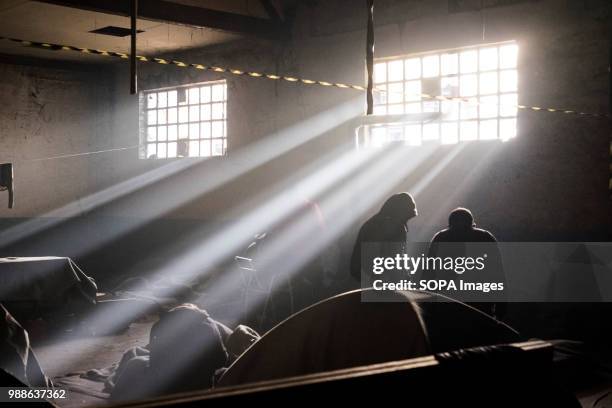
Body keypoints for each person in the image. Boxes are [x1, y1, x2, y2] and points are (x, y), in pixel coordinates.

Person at [427, 207, 505, 319]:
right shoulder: (485, 238)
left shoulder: (440, 238)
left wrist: (427, 303)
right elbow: (497, 274)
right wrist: (501, 308)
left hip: (446, 303)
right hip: (480, 303)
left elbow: (429, 273)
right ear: (472, 223)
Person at [350, 193, 418, 282]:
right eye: (406, 218)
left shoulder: (373, 223)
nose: (406, 223)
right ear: (401, 213)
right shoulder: (392, 227)